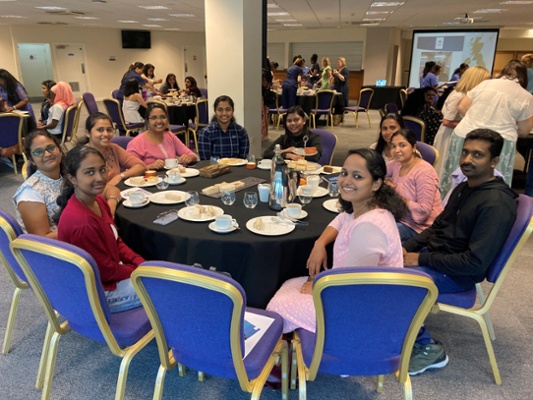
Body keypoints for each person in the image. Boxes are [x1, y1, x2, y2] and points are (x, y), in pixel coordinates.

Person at [403, 129, 518, 376]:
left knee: (389, 281)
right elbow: (438, 227)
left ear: (494, 162)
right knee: (382, 261)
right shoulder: (465, 187)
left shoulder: (496, 204)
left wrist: (420, 258)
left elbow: (475, 264)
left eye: (478, 155)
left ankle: (428, 348)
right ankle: (397, 325)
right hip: (440, 258)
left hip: (457, 274)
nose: (467, 160)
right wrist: (408, 248)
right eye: (465, 152)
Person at [266, 148, 407, 333]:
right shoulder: (366, 208)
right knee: (288, 284)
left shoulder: (369, 228)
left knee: (277, 307)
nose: (346, 181)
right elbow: (341, 219)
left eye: (357, 176)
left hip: (360, 312)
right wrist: (320, 243)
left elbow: (351, 288)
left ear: (376, 184)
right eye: (344, 173)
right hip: (357, 296)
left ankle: (316, 351)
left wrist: (318, 288)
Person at [55, 145, 145, 313]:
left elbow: (116, 240)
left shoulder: (97, 200)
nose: (100, 177)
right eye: (89, 172)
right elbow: (106, 272)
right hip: (98, 292)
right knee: (166, 290)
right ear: (72, 178)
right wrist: (139, 272)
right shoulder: (82, 223)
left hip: (106, 276)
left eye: (102, 170)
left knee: (160, 276)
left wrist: (141, 263)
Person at [441, 60, 533, 194]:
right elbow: (524, 130)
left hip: (466, 136)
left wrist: (480, 122)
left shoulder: (485, 84)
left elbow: (462, 107)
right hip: (498, 142)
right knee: (490, 184)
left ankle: (451, 203)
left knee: (458, 178)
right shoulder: (525, 96)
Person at [386, 129, 443, 241]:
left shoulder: (424, 172)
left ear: (413, 148)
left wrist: (395, 194)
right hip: (401, 217)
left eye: (402, 145)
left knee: (379, 235)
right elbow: (377, 171)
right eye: (393, 146)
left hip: (421, 227)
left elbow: (423, 211)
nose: (397, 150)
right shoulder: (397, 164)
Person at [432, 66, 490, 177]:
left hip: (453, 133)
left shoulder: (463, 94)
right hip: (448, 135)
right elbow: (447, 121)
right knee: (445, 165)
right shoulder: (458, 95)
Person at [82, 112, 145, 214]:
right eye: (100, 130)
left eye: (109, 130)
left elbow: (141, 166)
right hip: (95, 206)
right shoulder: (82, 157)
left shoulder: (112, 148)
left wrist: (120, 176)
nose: (106, 134)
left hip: (116, 198)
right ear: (88, 133)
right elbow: (87, 193)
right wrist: (111, 192)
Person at [13, 130, 64, 238]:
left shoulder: (67, 176)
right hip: (58, 251)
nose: (47, 154)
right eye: (38, 152)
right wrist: (81, 228)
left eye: (51, 148)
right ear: (32, 160)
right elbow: (41, 240)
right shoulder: (30, 192)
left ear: (60, 150)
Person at [127, 103, 198, 170]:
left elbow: (193, 155)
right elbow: (130, 170)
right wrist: (149, 167)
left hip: (172, 179)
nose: (159, 121)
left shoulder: (170, 136)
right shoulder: (137, 143)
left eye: (163, 117)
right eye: (154, 118)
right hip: (148, 180)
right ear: (147, 121)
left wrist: (189, 158)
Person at [198, 95, 250, 160]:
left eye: (228, 110)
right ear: (215, 111)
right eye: (220, 110)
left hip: (237, 169)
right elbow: (205, 161)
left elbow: (243, 160)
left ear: (233, 110)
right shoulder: (206, 133)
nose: (224, 113)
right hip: (214, 169)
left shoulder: (241, 132)